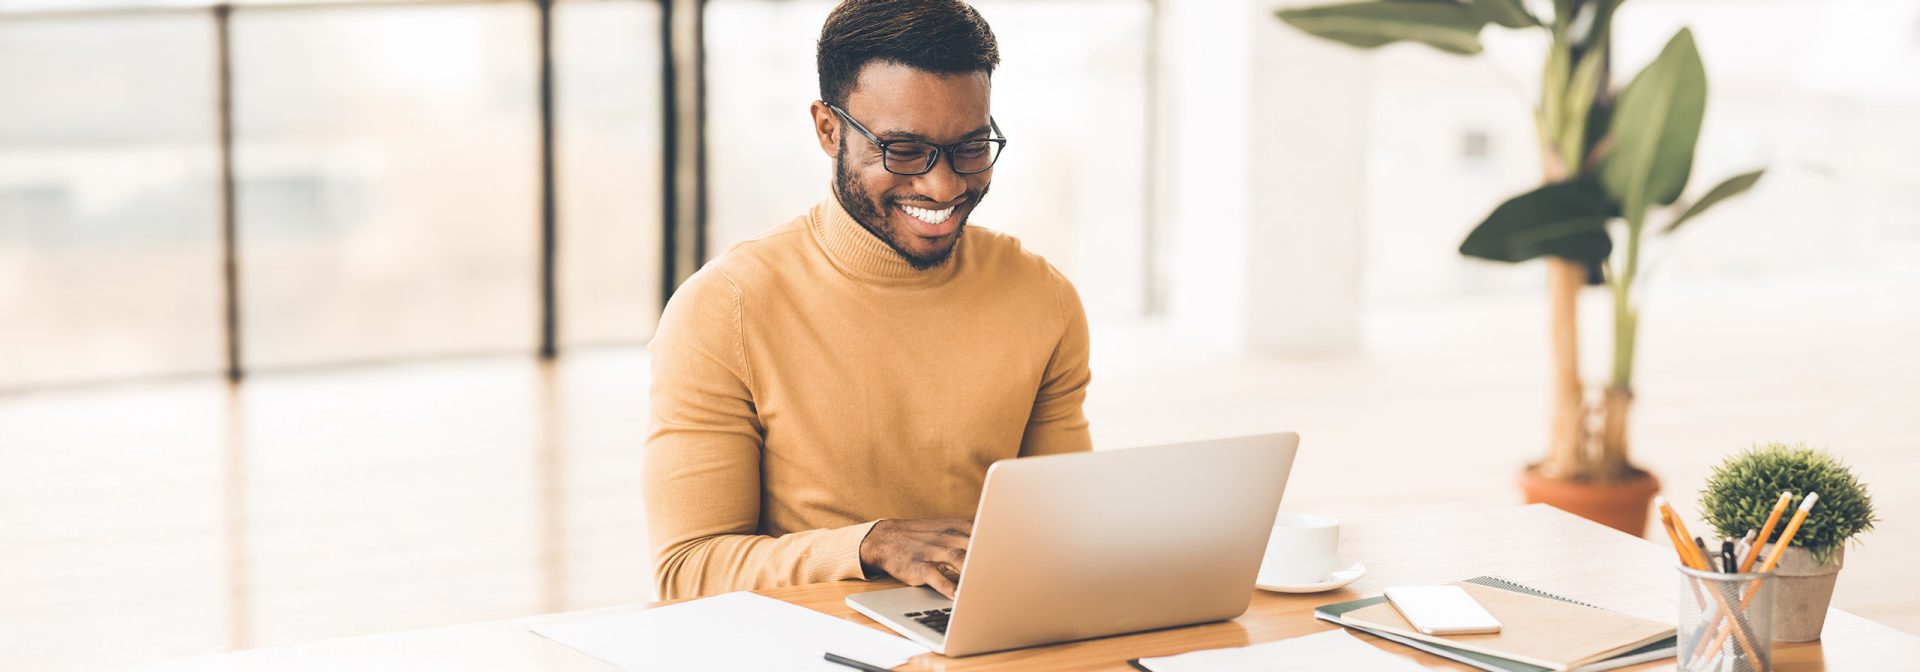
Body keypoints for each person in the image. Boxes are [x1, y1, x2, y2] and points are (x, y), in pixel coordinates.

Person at [644, 0, 1091, 601]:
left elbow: (1065, 528)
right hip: (806, 636)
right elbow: (686, 569)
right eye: (903, 150)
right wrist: (869, 545)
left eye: (970, 147)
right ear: (829, 131)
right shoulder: (725, 309)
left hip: (986, 626)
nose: (943, 185)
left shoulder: (1043, 299)